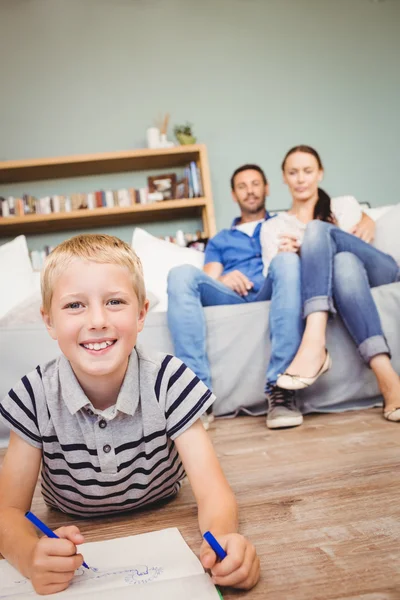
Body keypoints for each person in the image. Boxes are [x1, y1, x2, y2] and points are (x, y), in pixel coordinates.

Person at [0, 234, 260, 595]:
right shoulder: (34, 395)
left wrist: (226, 540)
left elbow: (214, 494)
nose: (97, 320)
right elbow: (7, 510)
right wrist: (27, 554)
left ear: (140, 315)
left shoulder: (170, 379)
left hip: (164, 504)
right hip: (71, 517)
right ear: (49, 323)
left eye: (115, 302)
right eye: (75, 306)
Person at [261, 145, 400, 423]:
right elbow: (278, 277)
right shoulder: (273, 227)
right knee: (343, 264)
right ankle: (389, 381)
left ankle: (314, 342)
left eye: (308, 171)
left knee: (320, 234)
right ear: (284, 178)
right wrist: (298, 256)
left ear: (320, 174)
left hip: (378, 270)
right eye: (293, 172)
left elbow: (363, 242)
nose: (301, 178)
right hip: (347, 276)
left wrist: (364, 221)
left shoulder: (344, 205)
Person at [168, 164, 305, 430]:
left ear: (266, 188)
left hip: (272, 290)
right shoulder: (221, 239)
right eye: (242, 186)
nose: (250, 191)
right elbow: (207, 277)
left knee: (287, 261)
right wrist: (221, 280)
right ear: (233, 195)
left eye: (255, 184)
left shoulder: (285, 223)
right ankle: (197, 397)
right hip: (231, 297)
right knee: (181, 274)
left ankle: (281, 391)